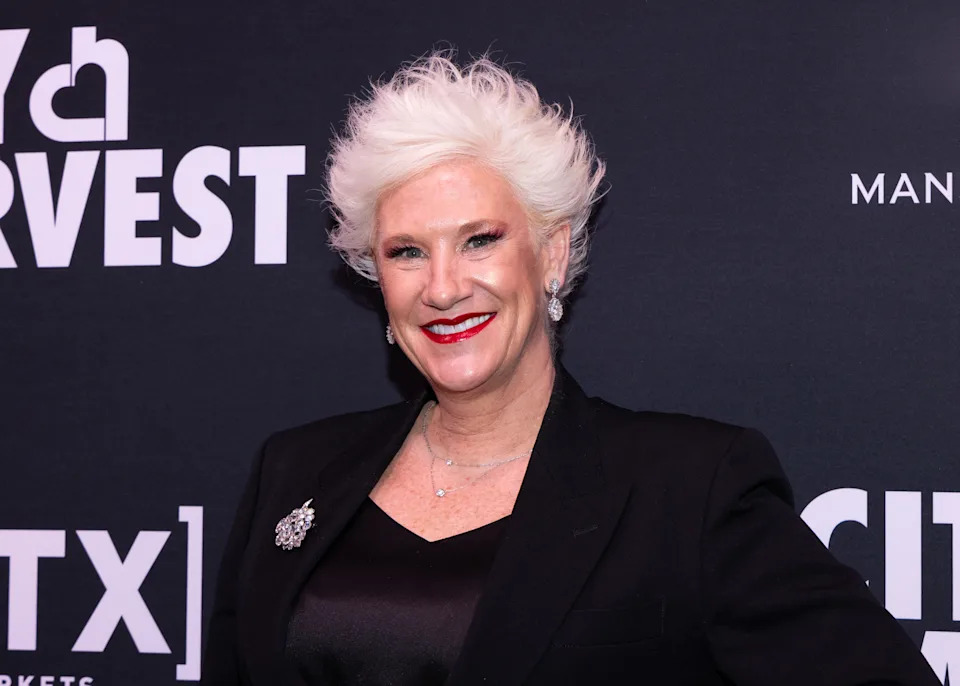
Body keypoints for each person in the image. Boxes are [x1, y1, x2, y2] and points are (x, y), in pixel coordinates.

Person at [200, 52, 940, 686]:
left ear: (551, 255)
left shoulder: (691, 488)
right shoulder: (294, 472)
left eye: (480, 239)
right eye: (407, 251)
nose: (444, 286)